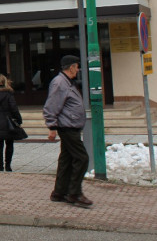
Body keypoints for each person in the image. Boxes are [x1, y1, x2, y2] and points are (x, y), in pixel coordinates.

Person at [42, 55, 93, 208]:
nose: (78, 70)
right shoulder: (60, 83)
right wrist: (52, 127)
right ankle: (74, 193)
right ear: (71, 67)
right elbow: (51, 106)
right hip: (67, 127)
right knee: (82, 158)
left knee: (67, 160)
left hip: (71, 126)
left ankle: (59, 192)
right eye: (77, 67)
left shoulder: (67, 82)